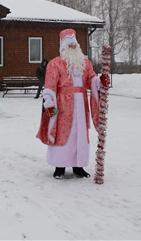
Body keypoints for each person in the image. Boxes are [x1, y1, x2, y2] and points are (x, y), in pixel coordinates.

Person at [36, 29, 109, 180]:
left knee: (80, 134)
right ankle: (60, 166)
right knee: (64, 134)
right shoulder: (55, 64)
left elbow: (92, 80)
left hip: (81, 105)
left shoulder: (85, 64)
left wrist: (100, 82)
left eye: (74, 45)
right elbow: (50, 85)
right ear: (63, 47)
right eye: (69, 46)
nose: (72, 48)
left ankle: (78, 166)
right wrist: (49, 101)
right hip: (63, 105)